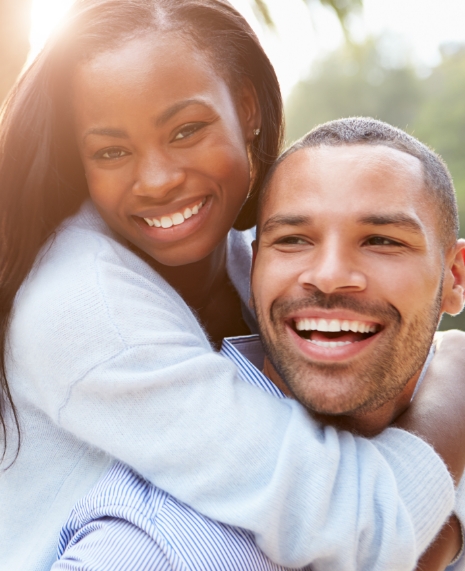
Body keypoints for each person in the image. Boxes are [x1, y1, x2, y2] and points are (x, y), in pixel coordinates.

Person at [0, 0, 462, 568]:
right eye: (111, 151)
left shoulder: (248, 260)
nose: (158, 179)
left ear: (247, 109)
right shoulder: (82, 305)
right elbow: (349, 522)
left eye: (186, 130)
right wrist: (454, 392)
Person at [52, 118, 465, 571]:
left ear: (454, 278)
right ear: (252, 273)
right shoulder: (154, 542)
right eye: (292, 240)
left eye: (382, 241)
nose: (328, 274)